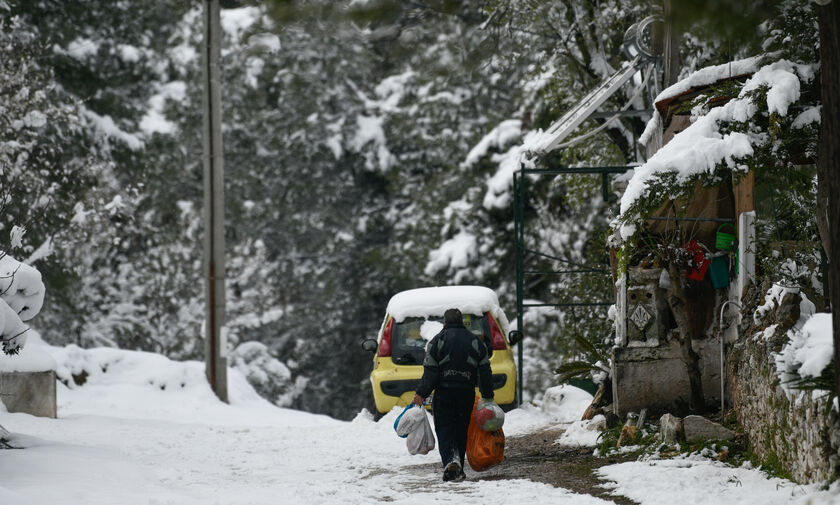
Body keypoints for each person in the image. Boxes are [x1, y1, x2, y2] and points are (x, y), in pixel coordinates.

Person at [413, 308, 494, 482]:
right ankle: (458, 467)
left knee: (445, 428)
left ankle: (450, 462)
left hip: (444, 393)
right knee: (461, 428)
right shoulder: (475, 342)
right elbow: (485, 371)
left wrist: (421, 393)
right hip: (466, 393)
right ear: (462, 322)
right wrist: (487, 396)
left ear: (445, 322)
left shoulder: (437, 341)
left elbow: (431, 372)